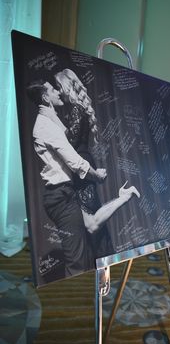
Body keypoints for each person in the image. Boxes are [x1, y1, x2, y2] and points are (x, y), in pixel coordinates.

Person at [27, 78, 140, 275]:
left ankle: (124, 198)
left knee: (91, 230)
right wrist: (97, 176)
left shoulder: (70, 112)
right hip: (71, 182)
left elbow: (70, 144)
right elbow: (72, 158)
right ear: (46, 97)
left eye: (59, 87)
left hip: (74, 180)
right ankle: (125, 197)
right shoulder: (49, 123)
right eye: (55, 89)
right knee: (88, 236)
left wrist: (53, 116)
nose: (59, 92)